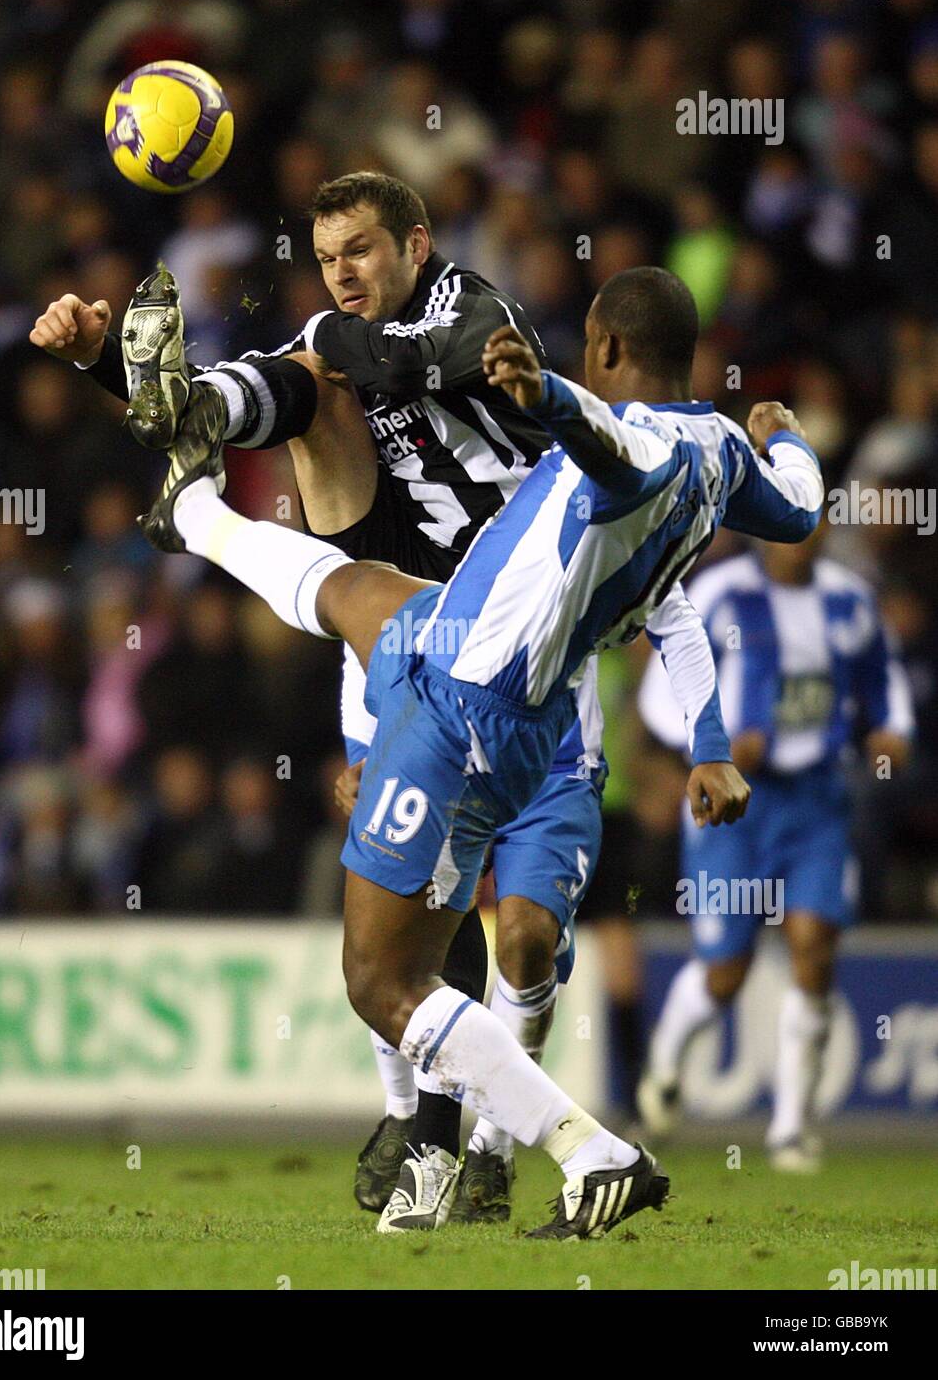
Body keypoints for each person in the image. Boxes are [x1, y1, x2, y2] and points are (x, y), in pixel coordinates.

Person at [29, 174, 699, 1228]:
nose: (341, 273)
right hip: (391, 643)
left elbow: (413, 357)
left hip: (511, 649)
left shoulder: (479, 316)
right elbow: (239, 398)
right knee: (393, 935)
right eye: (327, 254)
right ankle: (427, 1131)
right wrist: (115, 368)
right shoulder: (327, 346)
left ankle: (482, 1137)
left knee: (510, 934)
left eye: (363, 252)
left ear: (416, 245)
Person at [117, 267, 821, 1237]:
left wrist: (549, 395)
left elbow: (612, 450)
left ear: (608, 348)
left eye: (586, 345)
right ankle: (191, 510)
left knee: (382, 982)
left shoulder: (639, 444)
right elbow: (798, 506)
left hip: (474, 715)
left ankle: (592, 1154)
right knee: (352, 589)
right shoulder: (721, 453)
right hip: (453, 647)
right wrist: (781, 434)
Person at [636, 527, 913, 1170]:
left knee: (813, 944)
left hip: (816, 800)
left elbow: (884, 679)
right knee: (724, 973)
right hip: (733, 801)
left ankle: (790, 1127)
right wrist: (711, 747)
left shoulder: (850, 601)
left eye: (813, 519)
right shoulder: (718, 595)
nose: (800, 536)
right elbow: (658, 693)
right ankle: (666, 1066)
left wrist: (892, 731)